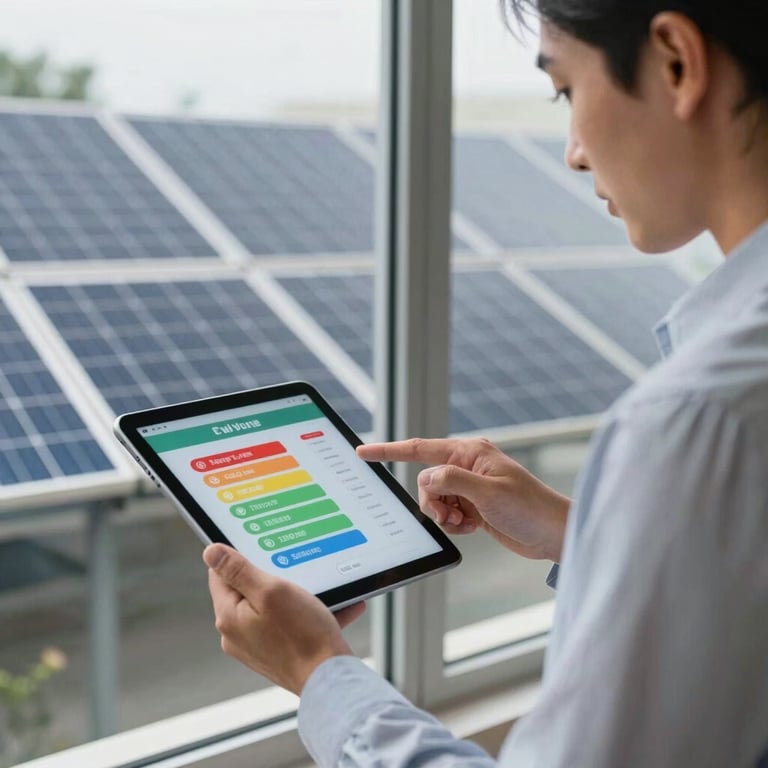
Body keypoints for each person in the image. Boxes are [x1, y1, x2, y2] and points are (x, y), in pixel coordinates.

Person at [202, 0, 768, 764]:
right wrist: (590, 533)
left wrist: (319, 672)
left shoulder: (702, 414)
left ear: (675, 61)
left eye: (566, 89)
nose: (571, 152)